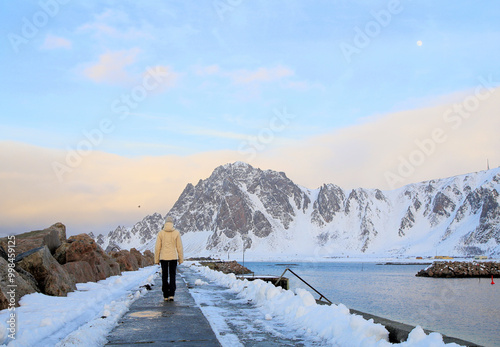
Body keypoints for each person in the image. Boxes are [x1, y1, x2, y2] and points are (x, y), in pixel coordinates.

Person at [154, 216, 184, 301]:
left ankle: (165, 295)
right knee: (172, 275)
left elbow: (157, 247)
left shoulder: (161, 233)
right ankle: (172, 294)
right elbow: (179, 247)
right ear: (172, 223)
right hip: (173, 258)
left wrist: (156, 259)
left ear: (165, 223)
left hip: (163, 257)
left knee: (164, 276)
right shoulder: (176, 233)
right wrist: (180, 259)